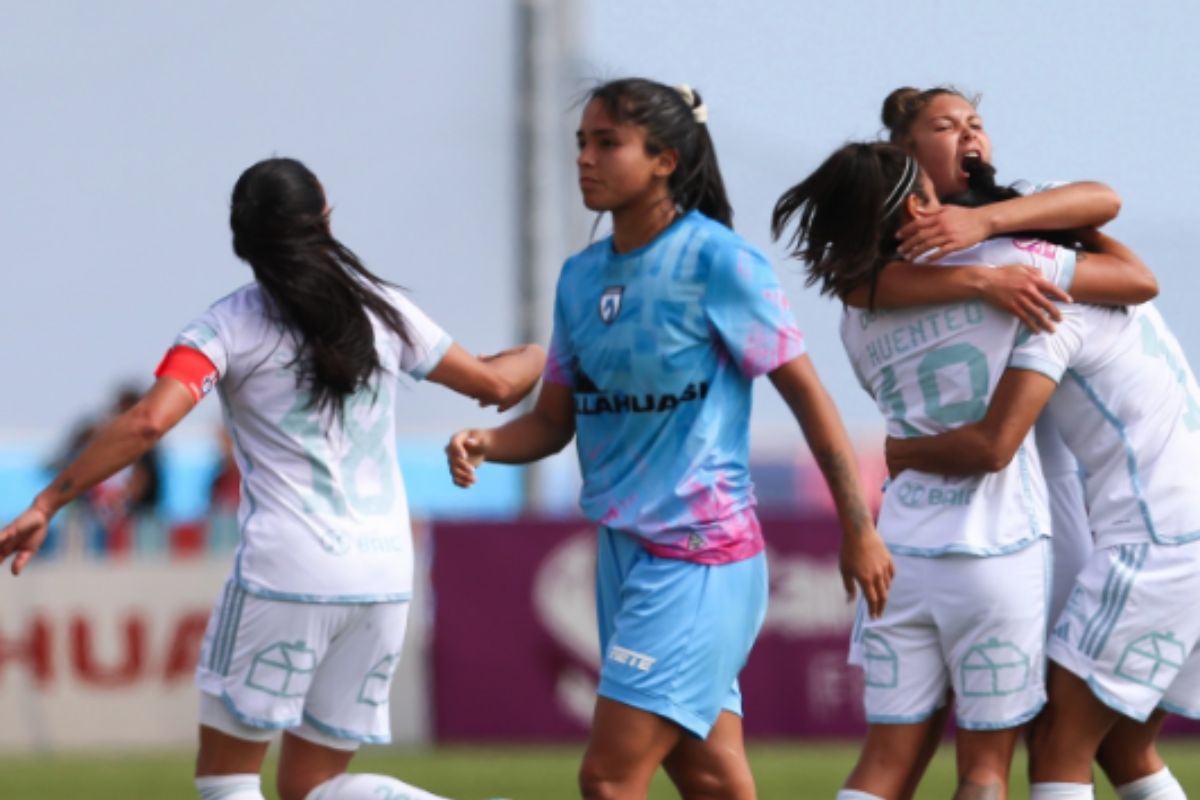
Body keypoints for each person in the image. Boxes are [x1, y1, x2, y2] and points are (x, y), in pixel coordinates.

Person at [0, 157, 546, 800]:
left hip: (288, 571)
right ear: (326, 219)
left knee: (227, 782)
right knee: (311, 789)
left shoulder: (224, 326)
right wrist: (550, 347)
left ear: (240, 238)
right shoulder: (386, 310)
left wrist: (48, 500)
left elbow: (149, 422)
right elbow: (498, 384)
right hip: (385, 576)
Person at [446, 78, 893, 800]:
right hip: (623, 556)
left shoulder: (719, 262)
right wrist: (488, 443)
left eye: (606, 143)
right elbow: (554, 421)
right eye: (581, 143)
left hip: (700, 558)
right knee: (710, 776)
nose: (585, 159)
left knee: (609, 777)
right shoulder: (580, 278)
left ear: (665, 159)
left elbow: (811, 400)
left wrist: (857, 526)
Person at [770, 141, 1151, 800]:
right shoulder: (1009, 265)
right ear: (918, 206)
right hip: (995, 550)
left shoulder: (857, 310)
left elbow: (865, 282)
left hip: (899, 555)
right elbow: (1137, 280)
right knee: (984, 770)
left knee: (882, 767)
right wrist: (1012, 219)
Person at [878, 85, 1186, 799]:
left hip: (1157, 536)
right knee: (1122, 750)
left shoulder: (1032, 260)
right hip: (1156, 527)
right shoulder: (996, 258)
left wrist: (899, 454)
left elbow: (1122, 245)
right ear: (906, 154)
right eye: (945, 126)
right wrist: (973, 256)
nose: (969, 134)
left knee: (1057, 745)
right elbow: (865, 285)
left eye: (976, 123)